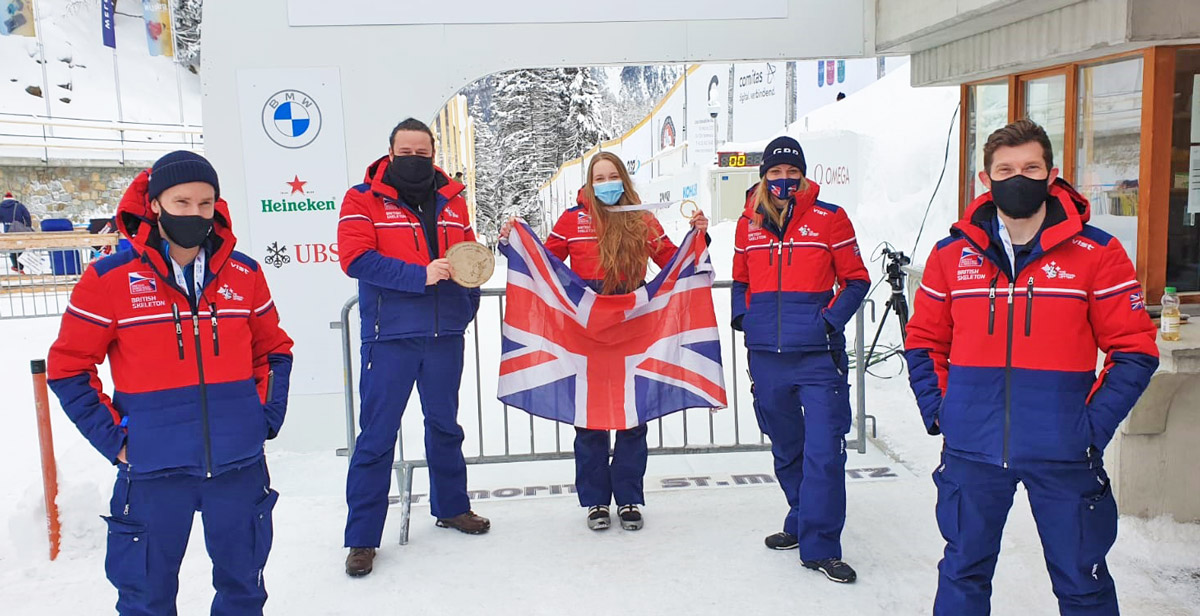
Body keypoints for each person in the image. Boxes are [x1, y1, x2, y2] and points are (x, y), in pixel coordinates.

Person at [904, 119, 1159, 615]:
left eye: (1030, 168)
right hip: (973, 450)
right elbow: (924, 340)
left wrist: (1090, 426)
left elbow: (1135, 349)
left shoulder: (1097, 253)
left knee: (1083, 584)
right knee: (962, 575)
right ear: (985, 180)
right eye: (1005, 170)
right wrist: (941, 410)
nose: (1017, 178)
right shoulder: (951, 256)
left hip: (1063, 452)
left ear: (1051, 175)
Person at [46, 151, 295, 615]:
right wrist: (116, 440)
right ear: (156, 204)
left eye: (205, 203)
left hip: (238, 468)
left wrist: (261, 418)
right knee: (146, 599)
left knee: (244, 591)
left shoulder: (244, 274)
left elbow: (273, 351)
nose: (195, 213)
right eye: (182, 202)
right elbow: (69, 367)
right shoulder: (110, 278)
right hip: (152, 471)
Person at [499, 151, 708, 532]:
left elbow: (673, 260)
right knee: (589, 419)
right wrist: (514, 245)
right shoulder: (571, 219)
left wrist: (698, 236)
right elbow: (544, 263)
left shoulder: (642, 219)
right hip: (586, 331)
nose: (606, 183)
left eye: (613, 176)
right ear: (589, 183)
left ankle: (628, 497)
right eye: (599, 178)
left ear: (623, 179)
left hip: (633, 325)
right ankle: (595, 500)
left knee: (632, 416)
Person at [338, 118, 485, 577]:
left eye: (423, 153)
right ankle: (362, 537)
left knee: (445, 427)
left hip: (444, 336)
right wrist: (419, 276)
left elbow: (467, 257)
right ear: (390, 152)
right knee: (377, 436)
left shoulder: (453, 200)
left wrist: (467, 304)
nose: (415, 160)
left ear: (433, 155)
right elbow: (356, 258)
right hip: (391, 337)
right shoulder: (361, 199)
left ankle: (452, 506)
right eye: (406, 152)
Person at [730, 135, 870, 583]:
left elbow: (856, 280)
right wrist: (744, 318)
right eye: (775, 172)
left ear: (803, 175)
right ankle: (800, 518)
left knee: (824, 452)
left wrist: (828, 322)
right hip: (767, 357)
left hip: (817, 357)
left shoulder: (831, 218)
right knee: (787, 448)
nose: (784, 179)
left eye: (792, 172)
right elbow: (740, 280)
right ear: (764, 176)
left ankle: (821, 546)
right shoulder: (747, 224)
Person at [1, 191, 33, 271]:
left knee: (11, 247)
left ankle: (15, 265)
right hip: (19, 228)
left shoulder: (1, 207)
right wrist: (28, 226)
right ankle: (20, 265)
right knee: (20, 246)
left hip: (7, 228)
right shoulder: (19, 206)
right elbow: (27, 216)